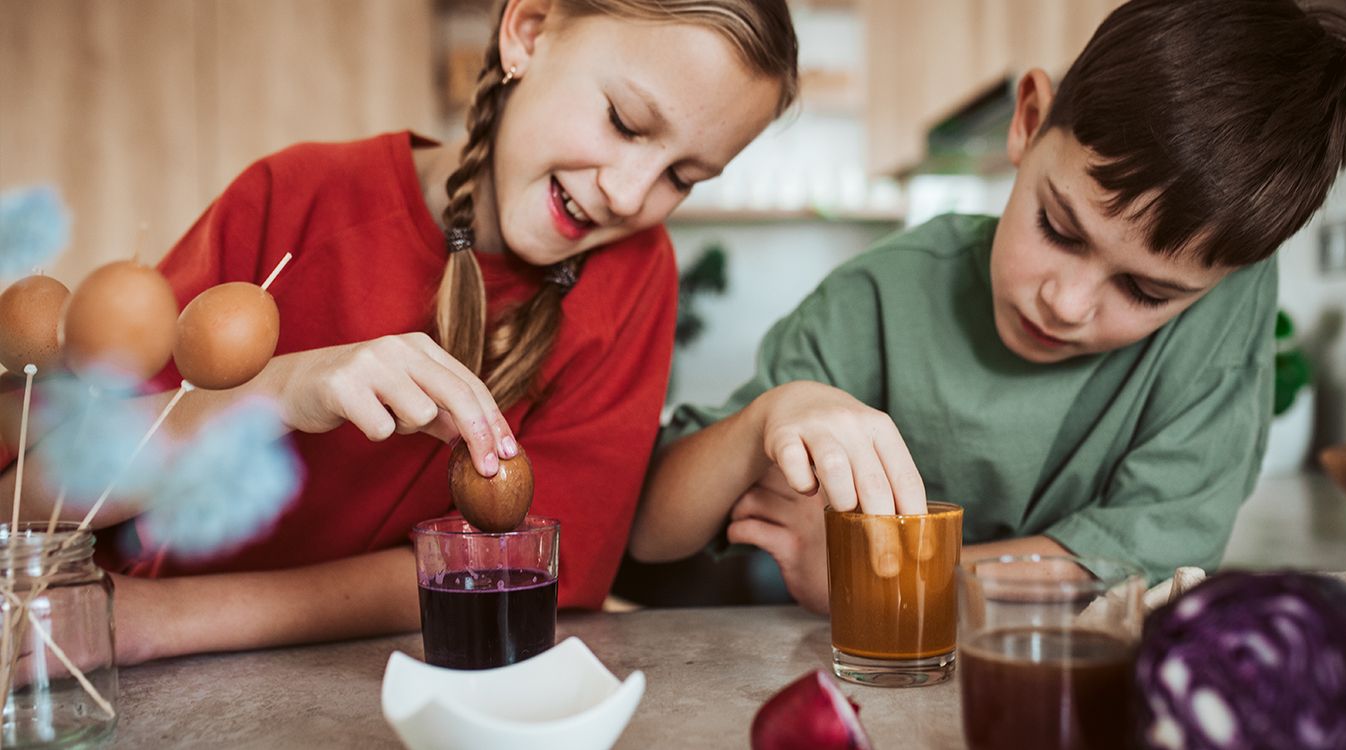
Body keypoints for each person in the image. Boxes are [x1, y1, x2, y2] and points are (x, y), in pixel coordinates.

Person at [0, 0, 798, 664]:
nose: (629, 195)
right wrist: (278, 389)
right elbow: (26, 502)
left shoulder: (634, 275)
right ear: (528, 30)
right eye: (625, 122)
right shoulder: (296, 197)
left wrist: (165, 622)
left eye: (682, 177)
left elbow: (549, 565)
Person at [630, 0, 1346, 613]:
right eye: (1059, 228)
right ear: (1028, 122)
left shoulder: (1224, 302)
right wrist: (767, 417)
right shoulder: (876, 300)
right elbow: (651, 531)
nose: (1067, 303)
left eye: (1146, 292)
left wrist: (891, 574)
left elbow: (1157, 549)